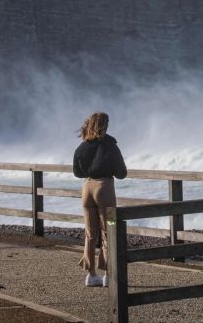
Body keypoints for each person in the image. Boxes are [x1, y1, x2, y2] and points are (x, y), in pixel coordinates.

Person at [72, 112, 127, 287]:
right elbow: (121, 173)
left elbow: (77, 173)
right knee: (108, 231)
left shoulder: (82, 147)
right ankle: (109, 275)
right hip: (104, 189)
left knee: (90, 233)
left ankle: (91, 275)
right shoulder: (110, 145)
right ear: (105, 125)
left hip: (87, 189)